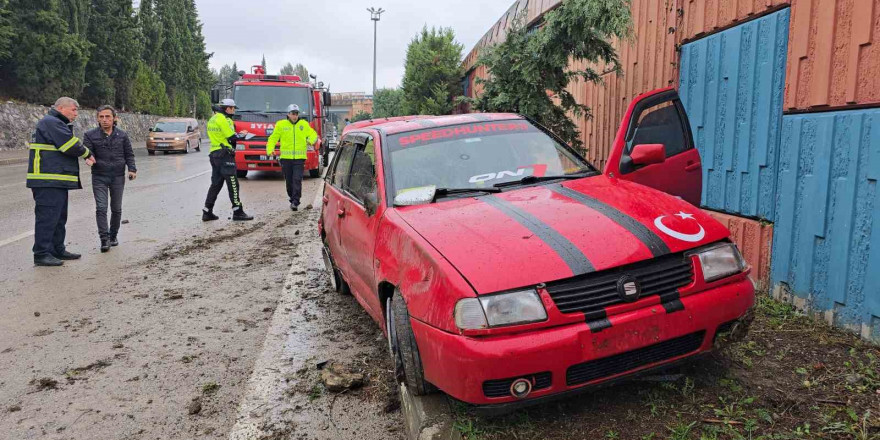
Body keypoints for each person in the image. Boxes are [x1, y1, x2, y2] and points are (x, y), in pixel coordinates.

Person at [26, 97, 96, 266]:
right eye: (73, 110)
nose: (76, 114)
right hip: (47, 180)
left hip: (55, 180)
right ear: (61, 108)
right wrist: (87, 153)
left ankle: (57, 249)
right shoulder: (51, 122)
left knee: (58, 218)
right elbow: (69, 145)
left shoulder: (55, 122)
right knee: (48, 218)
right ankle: (41, 253)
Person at [83, 105, 137, 253]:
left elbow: (129, 154)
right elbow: (88, 153)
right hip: (99, 176)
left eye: (108, 117)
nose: (105, 120)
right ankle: (104, 239)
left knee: (116, 209)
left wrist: (132, 169)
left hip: (118, 176)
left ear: (114, 118)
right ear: (97, 119)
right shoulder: (90, 135)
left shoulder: (122, 135)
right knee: (101, 208)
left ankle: (113, 236)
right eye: (101, 117)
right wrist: (88, 158)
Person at [203, 98, 253, 221]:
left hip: (214, 154)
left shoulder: (212, 119)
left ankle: (207, 211)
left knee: (216, 184)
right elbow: (231, 137)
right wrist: (243, 135)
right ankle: (238, 211)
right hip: (225, 155)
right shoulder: (224, 119)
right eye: (233, 108)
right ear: (227, 108)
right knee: (233, 184)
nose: (234, 110)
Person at [266, 104, 317, 211]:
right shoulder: (281, 125)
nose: (295, 116)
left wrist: (311, 141)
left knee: (297, 179)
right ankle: (292, 197)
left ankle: (296, 201)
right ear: (288, 114)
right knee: (289, 181)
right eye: (293, 114)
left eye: (296, 114)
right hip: (286, 158)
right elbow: (273, 138)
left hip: (299, 158)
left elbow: (313, 134)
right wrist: (270, 149)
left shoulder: (303, 124)